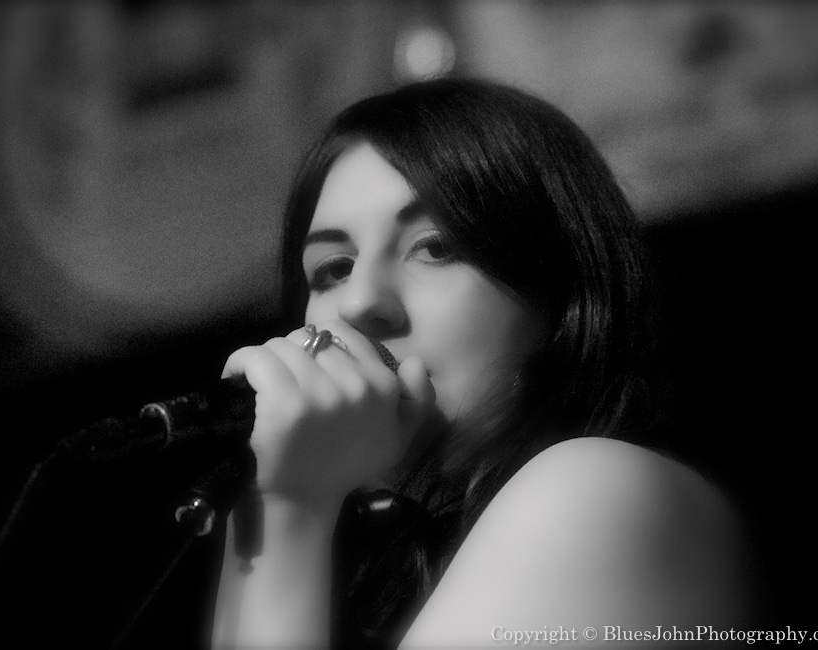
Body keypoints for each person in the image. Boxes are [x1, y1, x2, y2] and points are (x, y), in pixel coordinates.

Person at [211, 78, 757, 648]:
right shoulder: (395, 571)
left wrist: (286, 508)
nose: (359, 301)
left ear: (558, 298)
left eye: (435, 247)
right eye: (334, 269)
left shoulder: (598, 488)